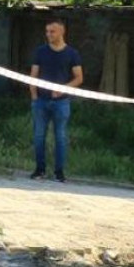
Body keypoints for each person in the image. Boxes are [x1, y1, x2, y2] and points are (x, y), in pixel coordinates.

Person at [30, 19, 83, 183]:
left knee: (60, 137)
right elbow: (33, 75)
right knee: (39, 136)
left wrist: (63, 89)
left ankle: (59, 172)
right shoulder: (40, 51)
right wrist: (34, 96)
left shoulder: (72, 54)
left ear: (61, 32)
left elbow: (79, 78)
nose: (49, 35)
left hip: (62, 103)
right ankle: (39, 169)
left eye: (52, 31)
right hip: (41, 101)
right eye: (47, 31)